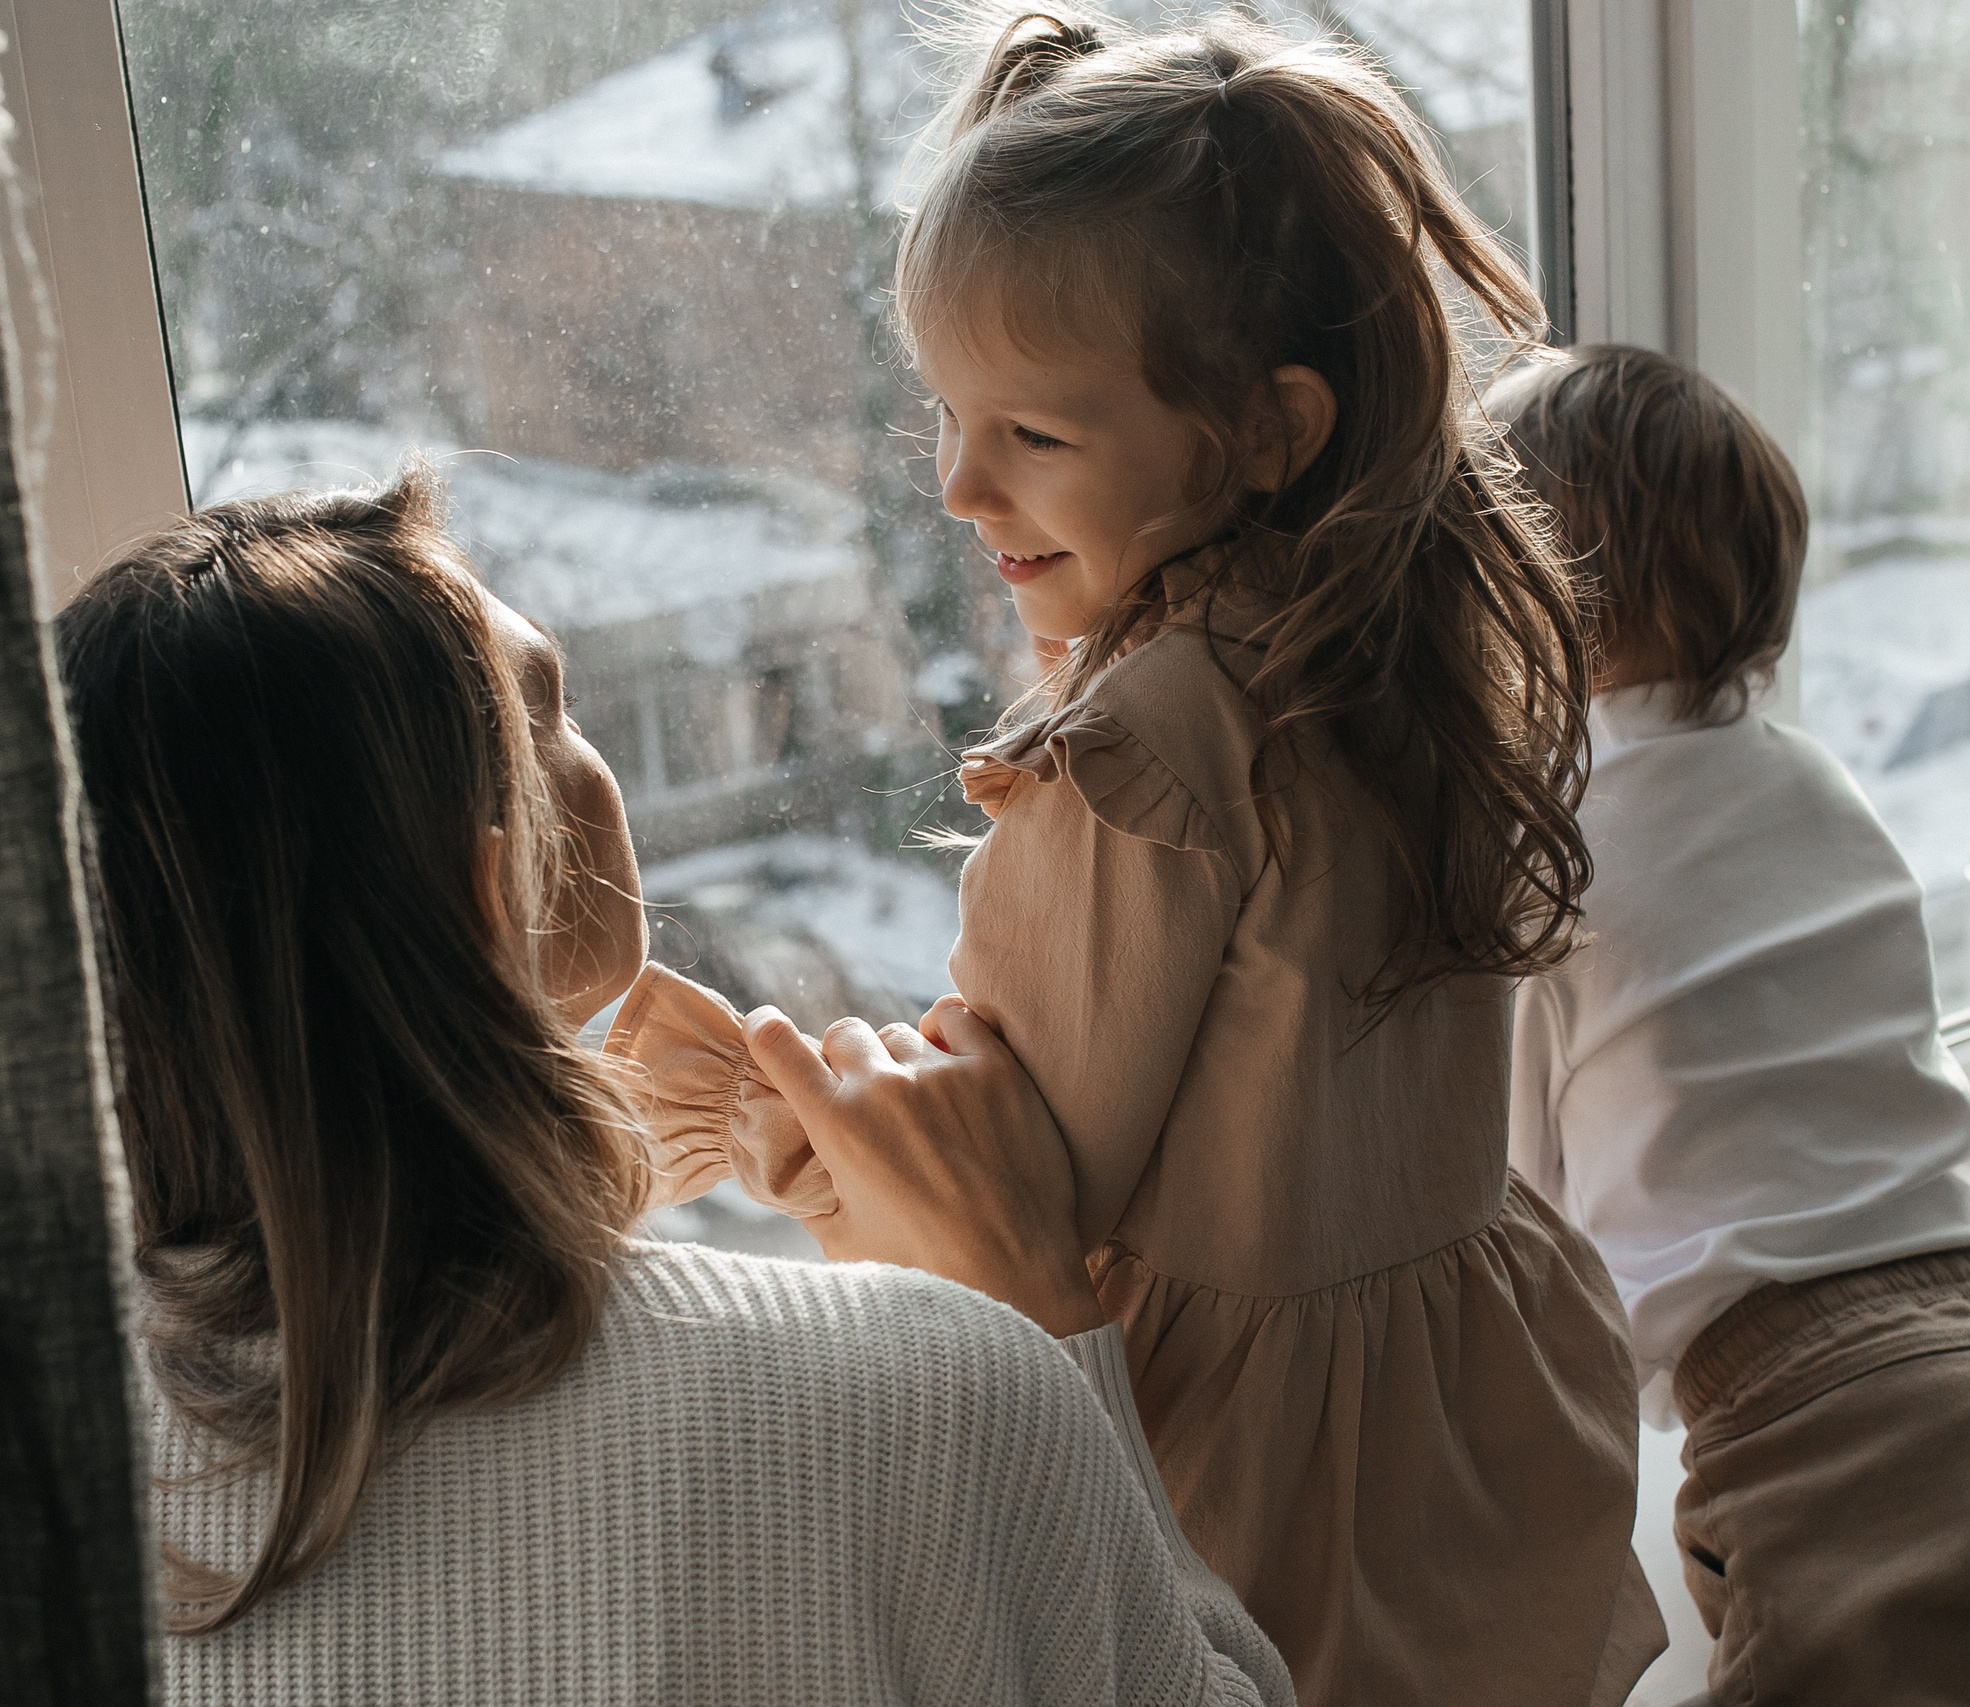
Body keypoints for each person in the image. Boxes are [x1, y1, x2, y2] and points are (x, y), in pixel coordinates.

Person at [608, 11, 1663, 1703]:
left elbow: (1014, 1194)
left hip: (1225, 1475)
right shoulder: (1413, 653)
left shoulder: (1139, 765)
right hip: (1447, 1425)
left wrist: (773, 1125)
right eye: (947, 418)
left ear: (1266, 431)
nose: (958, 484)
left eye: (1032, 433)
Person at [54, 472, 1298, 1706]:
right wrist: (1036, 1312)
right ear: (486, 902)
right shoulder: (922, 1404)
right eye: (548, 711)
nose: (589, 755)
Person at [1493, 342, 1970, 1704]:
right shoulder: (1820, 792)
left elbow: (1523, 1225)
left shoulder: (1546, 860)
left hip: (1848, 1435)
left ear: (1533, 616)